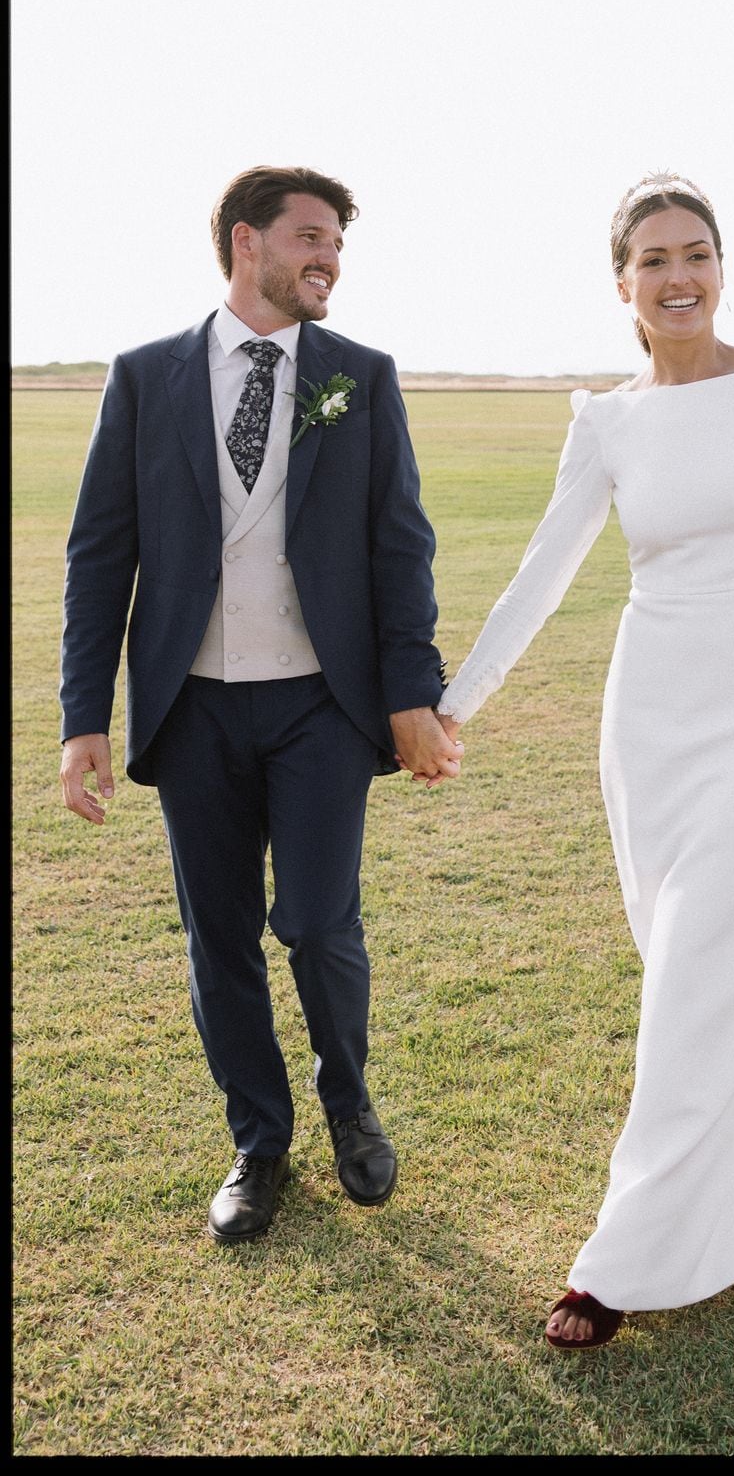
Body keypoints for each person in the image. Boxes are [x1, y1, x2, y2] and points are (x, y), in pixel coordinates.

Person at [439, 171, 734, 1349]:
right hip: (647, 721)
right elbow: (544, 571)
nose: (678, 275)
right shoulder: (607, 421)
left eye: (695, 252)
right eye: (653, 259)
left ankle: (618, 1263)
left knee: (703, 969)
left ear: (722, 265)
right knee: (682, 977)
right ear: (623, 286)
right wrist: (458, 704)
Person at [59, 165, 464, 1243]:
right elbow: (101, 555)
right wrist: (83, 719)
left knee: (321, 923)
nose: (328, 258)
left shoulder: (360, 377)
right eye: (312, 237)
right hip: (192, 713)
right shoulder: (145, 377)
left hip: (321, 709)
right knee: (219, 937)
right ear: (248, 242)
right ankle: (258, 1143)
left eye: (337, 243)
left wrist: (412, 695)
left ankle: (351, 1106)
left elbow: (400, 549)